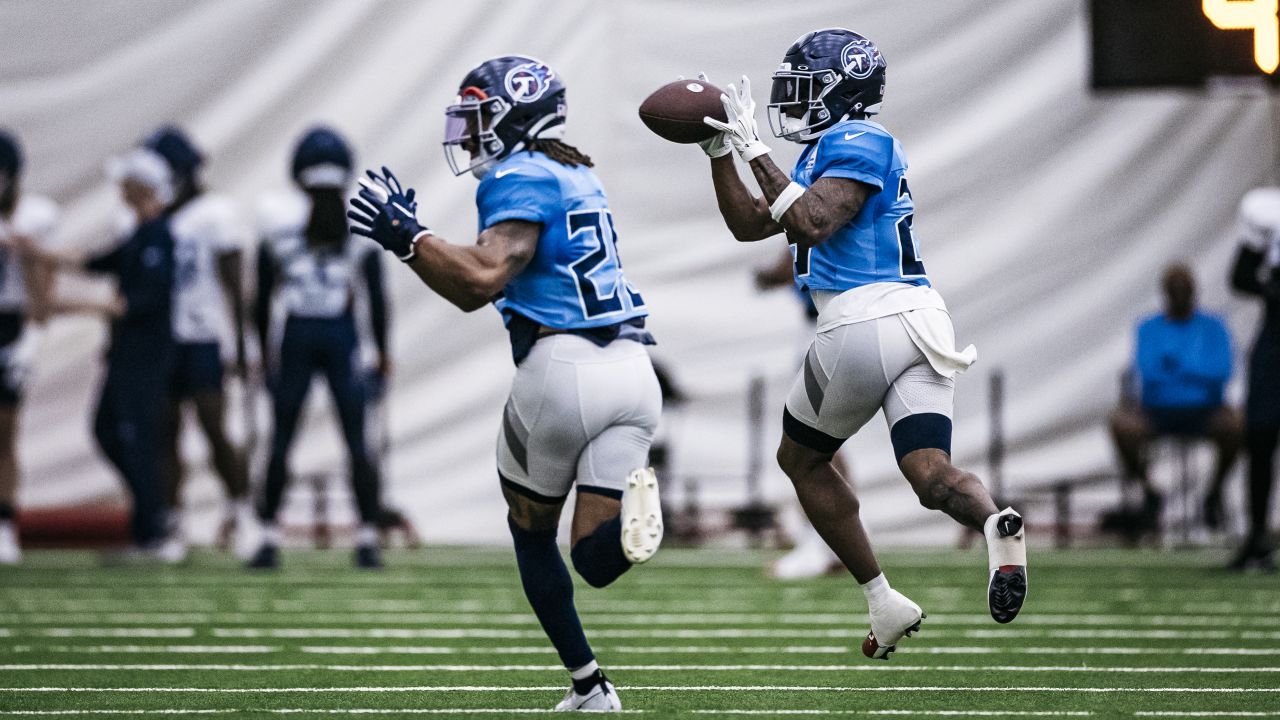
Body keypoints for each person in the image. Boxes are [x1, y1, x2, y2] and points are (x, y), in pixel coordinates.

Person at [695, 28, 1027, 660]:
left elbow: (814, 223)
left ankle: (883, 599)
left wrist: (755, 149)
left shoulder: (859, 139)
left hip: (863, 318)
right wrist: (720, 152)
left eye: (804, 88)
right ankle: (995, 524)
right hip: (921, 323)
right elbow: (749, 224)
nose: (792, 102)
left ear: (840, 89)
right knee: (931, 475)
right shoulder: (826, 151)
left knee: (801, 461)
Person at [347, 55, 663, 712]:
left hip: (564, 369)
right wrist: (419, 244)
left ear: (513, 116)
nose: (468, 131)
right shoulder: (574, 171)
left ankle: (589, 686)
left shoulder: (519, 174)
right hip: (634, 372)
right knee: (597, 560)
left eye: (478, 114)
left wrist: (408, 234)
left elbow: (481, 279)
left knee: (529, 532)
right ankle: (636, 532)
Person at [247, 127, 390, 570]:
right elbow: (376, 299)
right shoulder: (361, 226)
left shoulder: (277, 223)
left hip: (296, 335)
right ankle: (366, 536)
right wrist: (382, 351)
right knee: (356, 439)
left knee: (282, 437)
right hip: (340, 335)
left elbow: (261, 297)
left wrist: (259, 348)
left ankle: (268, 535)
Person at [142, 127, 252, 557]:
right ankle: (172, 525)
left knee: (214, 429)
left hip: (204, 335)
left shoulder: (214, 214)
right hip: (163, 339)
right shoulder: (152, 216)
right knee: (164, 434)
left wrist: (244, 345)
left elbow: (234, 283)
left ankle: (242, 511)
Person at [1108, 264, 1242, 537]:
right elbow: (1148, 371)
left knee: (1239, 426)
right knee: (1122, 426)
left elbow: (1222, 371)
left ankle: (1214, 492)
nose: (1180, 296)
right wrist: (1197, 371)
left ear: (1194, 292)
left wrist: (1176, 365)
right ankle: (1149, 491)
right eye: (1174, 290)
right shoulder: (1148, 327)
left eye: (1185, 290)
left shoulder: (1214, 326)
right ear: (1165, 293)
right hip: (1157, 411)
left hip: (1206, 410)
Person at [755, 248, 843, 578]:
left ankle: (817, 543)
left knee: (806, 447)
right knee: (829, 444)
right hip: (845, 325)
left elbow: (786, 260)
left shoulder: (821, 199)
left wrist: (768, 274)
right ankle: (841, 537)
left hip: (825, 330)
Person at [0, 129, 58, 565]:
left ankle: (3, 524)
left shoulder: (34, 217)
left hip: (10, 324)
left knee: (4, 431)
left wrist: (33, 341)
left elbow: (42, 291)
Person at [1230, 187, 1280, 570]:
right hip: (1276, 330)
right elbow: (1241, 276)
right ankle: (1257, 536)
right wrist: (1271, 290)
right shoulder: (1267, 209)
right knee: (1260, 432)